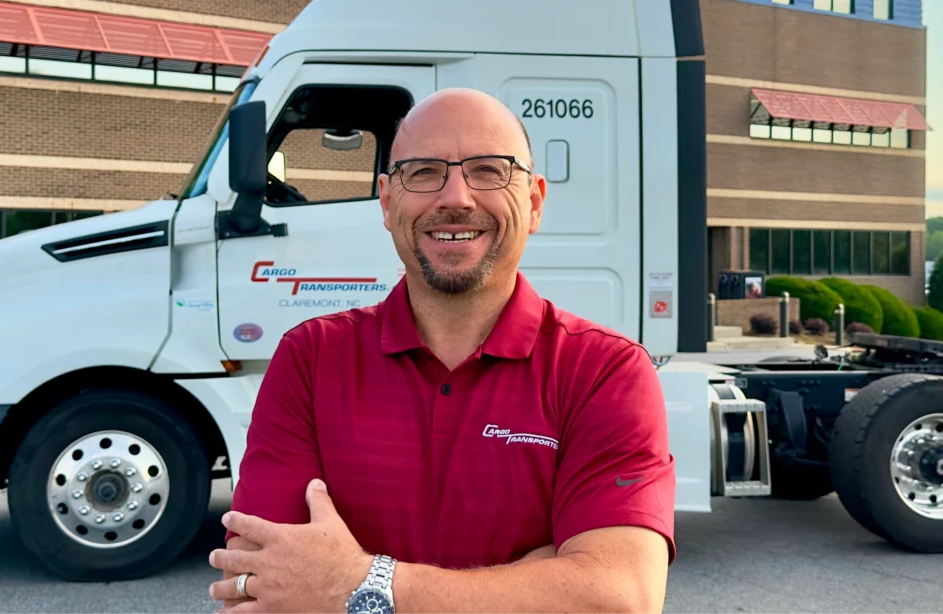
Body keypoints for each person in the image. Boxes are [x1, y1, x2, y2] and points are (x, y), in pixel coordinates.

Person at [207, 87, 676, 613]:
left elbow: (617, 600)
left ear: (535, 201)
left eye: (489, 170)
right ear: (387, 202)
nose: (455, 198)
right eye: (424, 171)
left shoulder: (605, 372)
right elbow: (261, 588)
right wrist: (537, 582)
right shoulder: (309, 361)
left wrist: (356, 585)